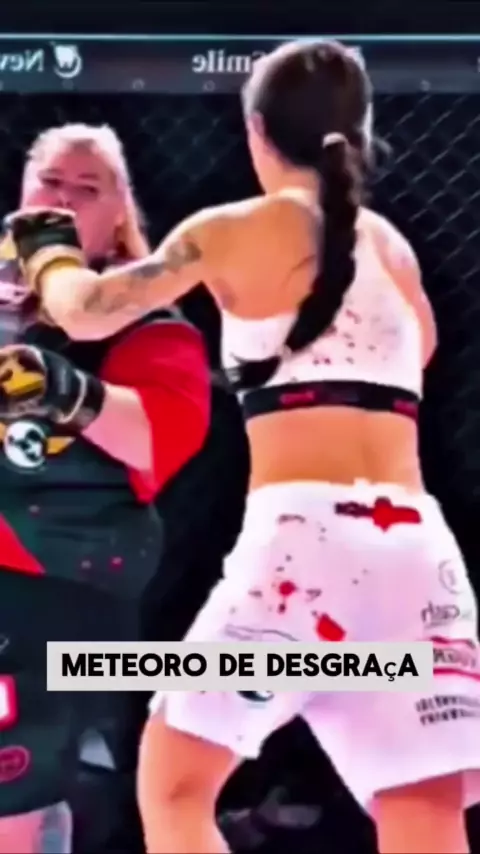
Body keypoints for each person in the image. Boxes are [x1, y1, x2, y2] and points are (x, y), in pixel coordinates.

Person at [4, 38, 480, 854]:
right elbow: (419, 351)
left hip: (307, 549)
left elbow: (84, 310)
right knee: (422, 813)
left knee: (176, 785)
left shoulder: (238, 227)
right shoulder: (392, 247)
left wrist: (46, 247)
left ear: (256, 130)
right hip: (416, 552)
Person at [0, 123, 210, 852]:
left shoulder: (145, 322)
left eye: (86, 189)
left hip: (49, 589)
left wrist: (66, 390)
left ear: (118, 214)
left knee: (18, 801)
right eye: (50, 182)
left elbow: (159, 437)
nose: (62, 200)